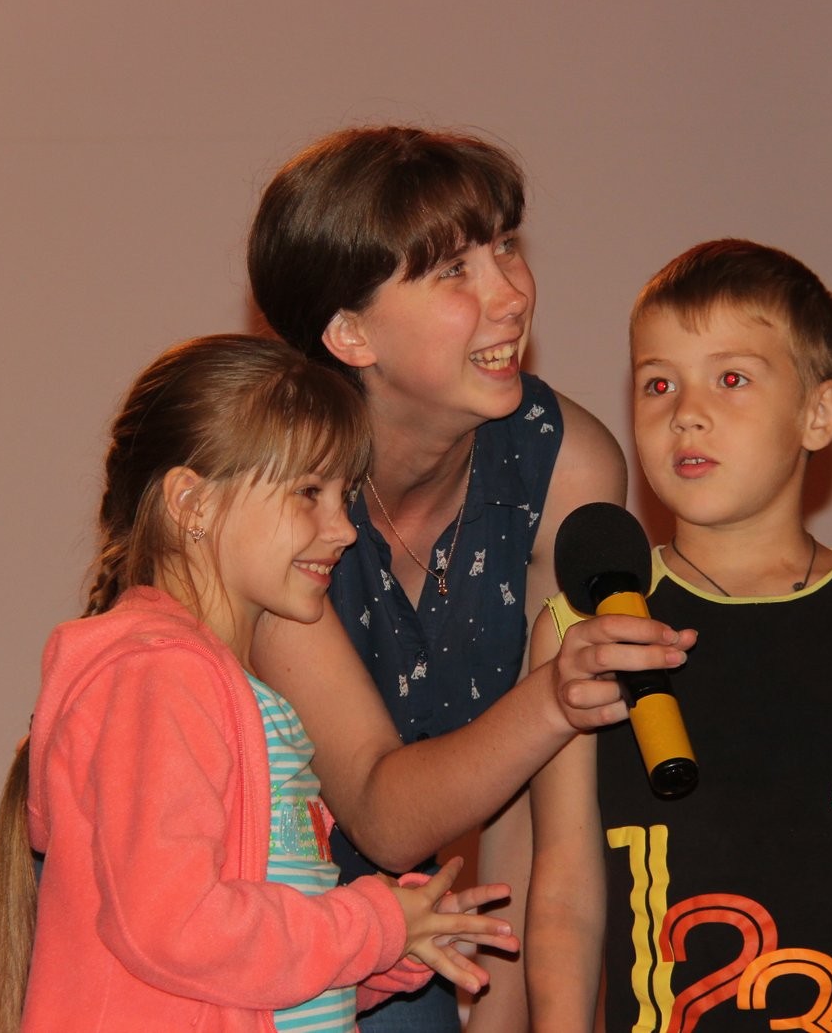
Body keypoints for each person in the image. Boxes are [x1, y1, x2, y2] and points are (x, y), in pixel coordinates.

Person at [527, 240, 832, 1030]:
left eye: (731, 378)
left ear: (817, 414)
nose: (686, 412)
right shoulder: (586, 631)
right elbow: (566, 896)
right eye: (658, 383)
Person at [0, 335, 522, 1033]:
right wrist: (370, 923)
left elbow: (243, 977)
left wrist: (386, 950)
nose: (343, 529)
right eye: (309, 493)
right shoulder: (158, 676)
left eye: (345, 496)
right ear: (192, 502)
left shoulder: (239, 694)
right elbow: (177, 927)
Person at [247, 125, 635, 1032]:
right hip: (234, 923)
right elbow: (382, 812)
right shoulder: (268, 498)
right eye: (455, 270)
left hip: (410, 930)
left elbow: (535, 805)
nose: (512, 294)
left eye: (506, 246)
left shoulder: (565, 468)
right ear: (350, 332)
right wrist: (553, 697)